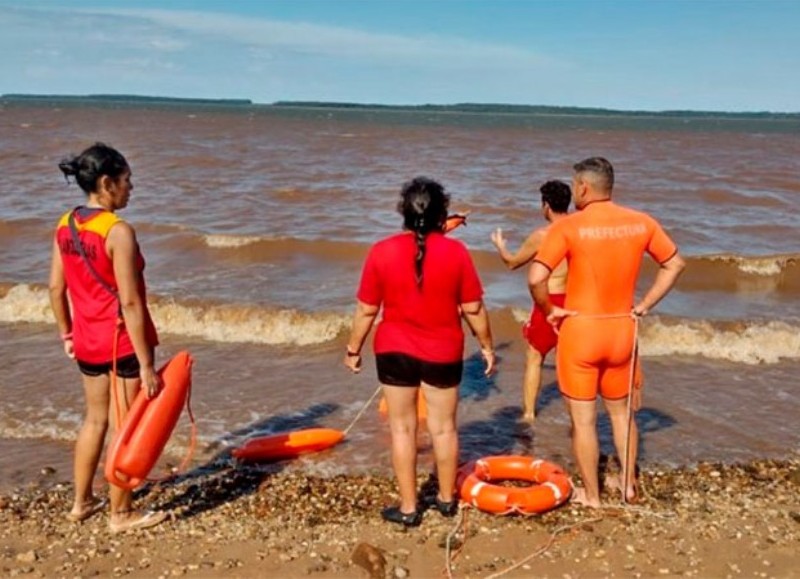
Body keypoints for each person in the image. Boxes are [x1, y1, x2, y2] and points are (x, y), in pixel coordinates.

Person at [527, 157, 685, 507]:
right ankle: (628, 486)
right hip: (622, 330)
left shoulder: (568, 228)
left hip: (581, 332)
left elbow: (536, 277)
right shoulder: (641, 222)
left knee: (583, 423)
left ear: (582, 187)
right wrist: (644, 305)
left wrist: (549, 310)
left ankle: (593, 496)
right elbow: (674, 263)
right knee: (622, 415)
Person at [343, 176, 495, 527]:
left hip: (394, 350)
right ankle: (445, 500)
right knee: (444, 429)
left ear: (403, 212)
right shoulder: (456, 252)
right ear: (443, 212)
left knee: (402, 430)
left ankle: (410, 508)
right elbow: (473, 309)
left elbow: (366, 309)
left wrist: (354, 349)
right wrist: (486, 345)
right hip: (443, 351)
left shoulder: (381, 250)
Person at [49, 143, 167, 532]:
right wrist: (148, 365)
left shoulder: (66, 224)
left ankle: (81, 503)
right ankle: (121, 513)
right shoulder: (118, 231)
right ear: (106, 183)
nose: (131, 187)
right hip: (122, 345)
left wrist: (67, 333)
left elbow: (54, 289)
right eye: (127, 180)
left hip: (87, 341)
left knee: (94, 421)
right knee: (126, 425)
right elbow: (131, 303)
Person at [490, 180, 571, 422]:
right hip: (574, 300)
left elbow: (513, 262)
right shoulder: (580, 230)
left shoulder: (542, 235)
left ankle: (529, 413)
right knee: (569, 362)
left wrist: (501, 246)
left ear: (546, 206)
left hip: (549, 299)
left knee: (535, 357)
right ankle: (576, 416)